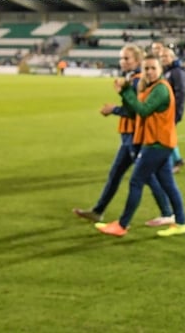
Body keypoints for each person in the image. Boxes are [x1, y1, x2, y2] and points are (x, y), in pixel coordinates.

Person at [73, 44, 173, 226]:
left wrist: (114, 109)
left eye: (126, 58)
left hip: (134, 136)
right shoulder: (133, 79)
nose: (122, 61)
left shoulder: (137, 81)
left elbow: (136, 111)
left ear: (137, 60)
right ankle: (98, 211)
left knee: (146, 177)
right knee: (116, 173)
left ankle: (167, 213)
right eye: (121, 58)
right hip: (128, 135)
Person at [96, 54, 185, 238]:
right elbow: (136, 110)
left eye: (153, 68)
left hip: (157, 144)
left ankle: (122, 225)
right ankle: (180, 223)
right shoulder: (152, 87)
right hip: (159, 142)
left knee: (136, 181)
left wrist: (125, 92)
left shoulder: (161, 89)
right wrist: (124, 95)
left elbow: (143, 110)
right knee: (168, 184)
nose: (150, 72)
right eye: (146, 68)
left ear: (160, 70)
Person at [159, 46, 185, 174]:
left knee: (165, 138)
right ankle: (177, 159)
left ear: (172, 57)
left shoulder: (176, 72)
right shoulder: (167, 71)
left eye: (166, 56)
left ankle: (171, 165)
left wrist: (177, 112)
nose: (163, 59)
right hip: (164, 111)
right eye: (161, 56)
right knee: (167, 136)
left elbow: (181, 93)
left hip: (171, 112)